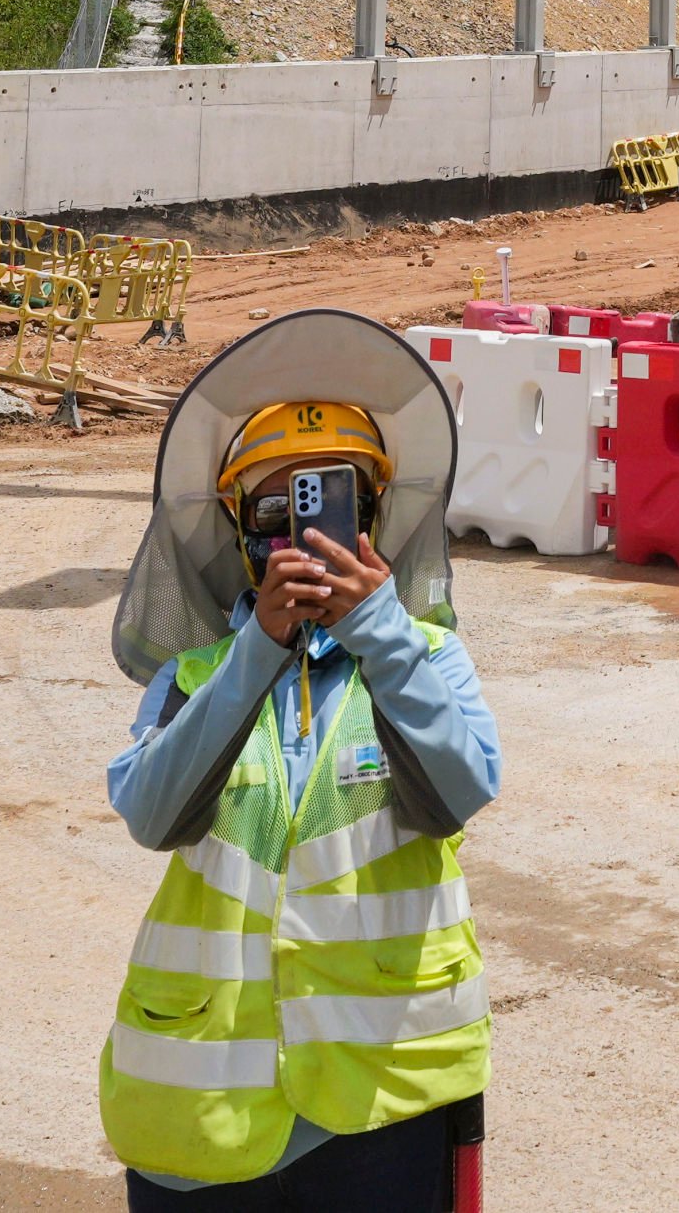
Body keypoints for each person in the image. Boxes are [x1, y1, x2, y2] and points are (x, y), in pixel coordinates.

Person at [102, 376, 497, 1209]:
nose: (304, 532)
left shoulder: (428, 656)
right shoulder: (197, 676)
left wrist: (381, 636)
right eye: (274, 512)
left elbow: (459, 791)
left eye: (330, 506)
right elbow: (151, 814)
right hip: (207, 1108)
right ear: (243, 534)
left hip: (381, 1099)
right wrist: (258, 650)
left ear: (373, 522)